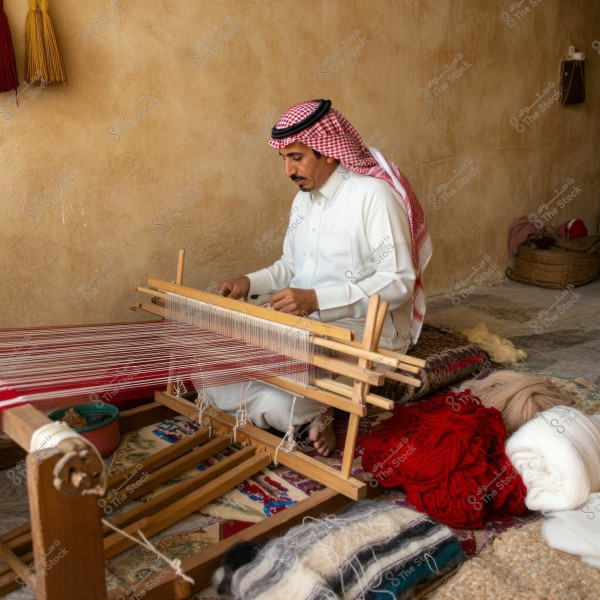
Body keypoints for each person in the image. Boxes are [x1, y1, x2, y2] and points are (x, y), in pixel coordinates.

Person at [205, 99, 432, 457]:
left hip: (367, 331)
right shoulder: (303, 201)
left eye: (296, 157)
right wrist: (250, 282)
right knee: (210, 370)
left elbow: (399, 280)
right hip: (303, 326)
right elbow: (290, 267)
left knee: (283, 398)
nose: (288, 171)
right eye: (283, 159)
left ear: (329, 152)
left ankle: (308, 408)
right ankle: (313, 406)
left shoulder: (373, 197)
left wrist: (316, 301)